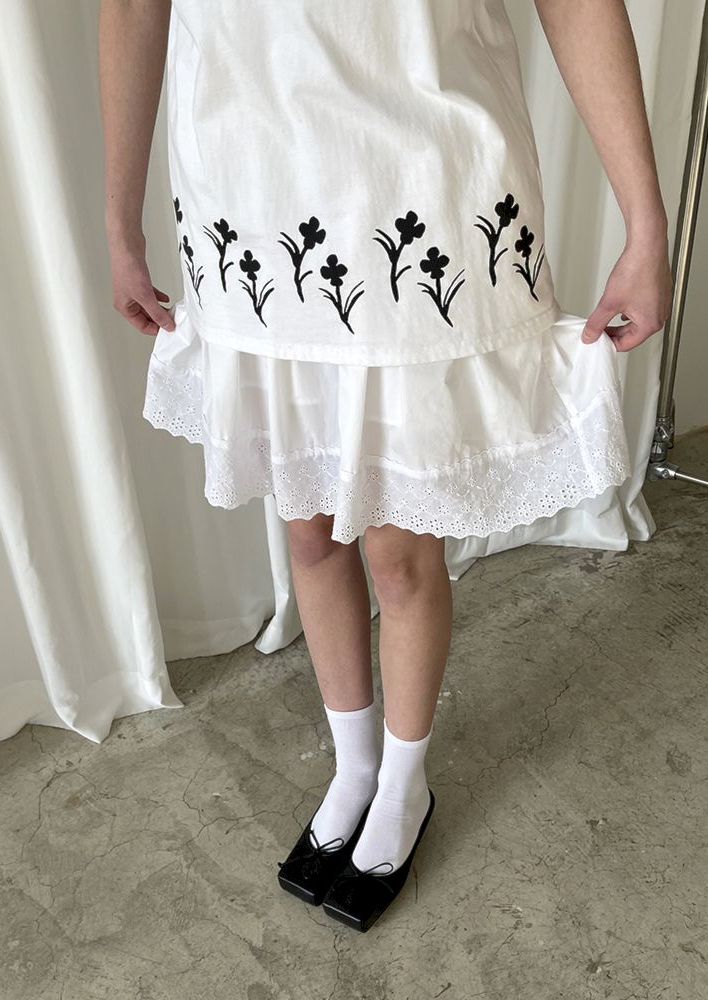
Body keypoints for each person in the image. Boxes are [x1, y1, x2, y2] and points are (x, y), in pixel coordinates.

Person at [98, 0, 672, 933]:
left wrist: (646, 224)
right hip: (251, 178)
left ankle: (405, 780)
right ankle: (355, 764)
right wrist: (120, 219)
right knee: (308, 527)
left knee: (401, 551)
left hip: (420, 177)